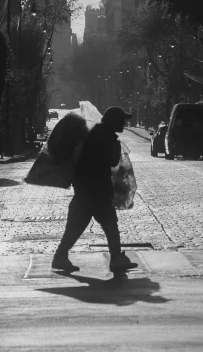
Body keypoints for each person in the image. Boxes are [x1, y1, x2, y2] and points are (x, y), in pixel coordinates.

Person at [51, 106, 138, 274]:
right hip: (95, 189)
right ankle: (115, 259)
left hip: (86, 187)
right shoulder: (105, 137)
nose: (124, 123)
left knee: (77, 226)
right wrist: (116, 145)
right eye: (122, 120)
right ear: (114, 122)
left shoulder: (96, 132)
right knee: (108, 224)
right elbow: (113, 161)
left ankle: (60, 256)